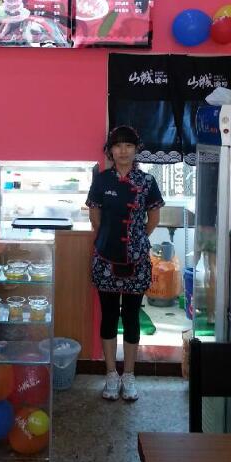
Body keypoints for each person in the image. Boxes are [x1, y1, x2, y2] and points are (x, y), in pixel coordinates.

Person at [86, 126, 164, 401]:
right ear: (110, 150)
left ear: (135, 150)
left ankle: (129, 374)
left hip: (137, 260)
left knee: (131, 317)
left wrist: (136, 240)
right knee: (108, 316)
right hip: (105, 258)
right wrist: (109, 239)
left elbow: (153, 219)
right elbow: (95, 217)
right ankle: (110, 373)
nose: (123, 151)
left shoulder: (147, 181)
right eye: (117, 146)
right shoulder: (101, 180)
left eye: (128, 146)